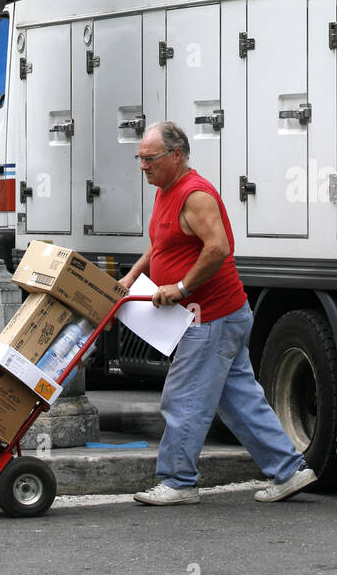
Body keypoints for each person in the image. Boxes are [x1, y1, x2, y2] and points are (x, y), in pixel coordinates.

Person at [121, 120, 317, 505]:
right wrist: (132, 276)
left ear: (176, 155)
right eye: (139, 158)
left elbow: (218, 248)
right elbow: (161, 245)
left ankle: (178, 482)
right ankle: (289, 470)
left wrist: (181, 288)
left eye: (150, 158)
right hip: (217, 317)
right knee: (239, 400)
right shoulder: (166, 191)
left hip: (211, 317)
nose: (143, 165)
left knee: (183, 398)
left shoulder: (195, 195)